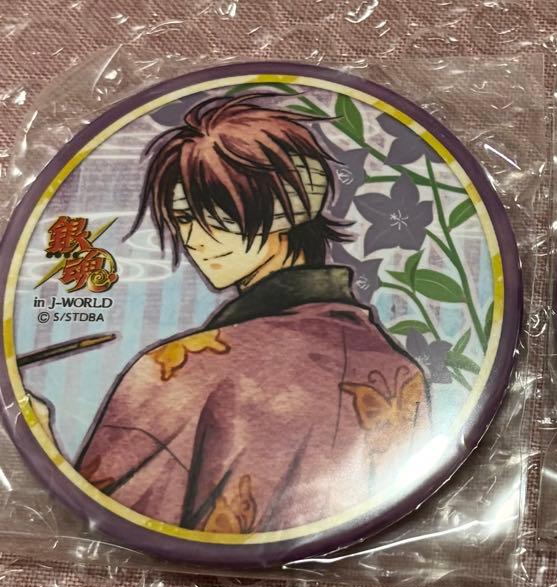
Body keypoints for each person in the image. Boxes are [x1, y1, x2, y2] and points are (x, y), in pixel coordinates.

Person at [34, 94, 428, 534]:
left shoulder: (179, 371)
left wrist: (46, 453)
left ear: (292, 206)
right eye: (184, 217)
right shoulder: (399, 372)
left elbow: (114, 525)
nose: (196, 239)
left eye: (220, 212)